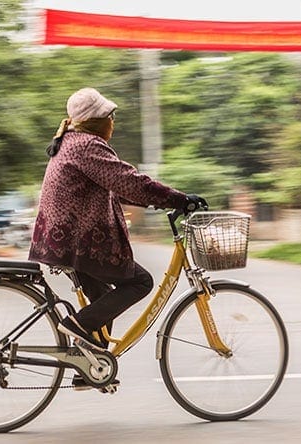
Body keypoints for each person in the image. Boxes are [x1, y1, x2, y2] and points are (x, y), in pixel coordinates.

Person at [28, 87, 206, 352]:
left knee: (102, 298)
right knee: (140, 281)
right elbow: (129, 182)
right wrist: (179, 199)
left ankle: (87, 365)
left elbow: (115, 188)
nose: (113, 122)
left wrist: (157, 201)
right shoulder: (87, 145)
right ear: (96, 121)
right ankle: (76, 325)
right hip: (77, 241)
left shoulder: (71, 141)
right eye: (110, 116)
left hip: (62, 239)